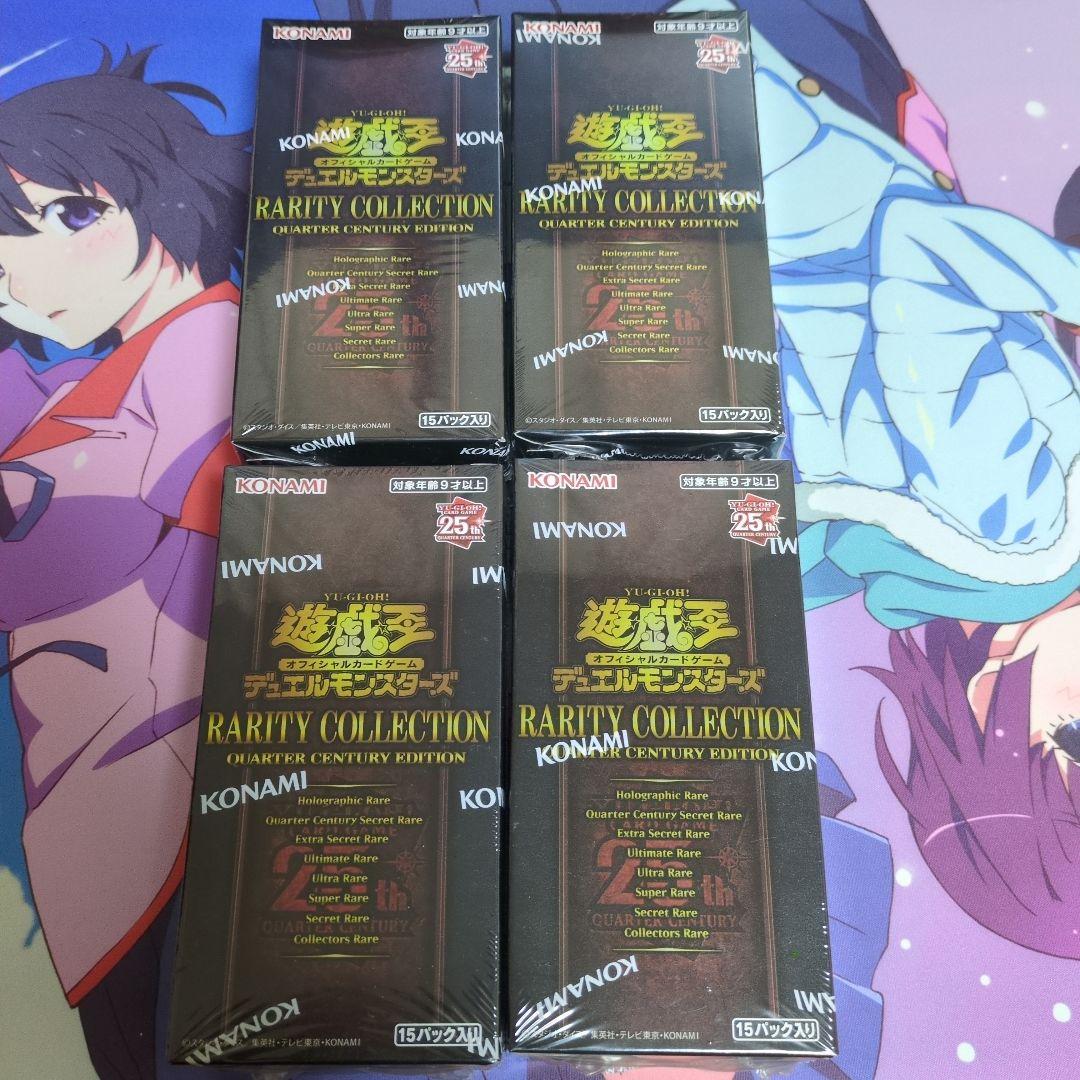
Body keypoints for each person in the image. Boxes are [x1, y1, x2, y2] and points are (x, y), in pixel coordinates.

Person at [0, 45, 246, 1077]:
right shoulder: (95, 387)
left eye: (61, 217)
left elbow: (62, 551)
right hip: (98, 831)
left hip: (164, 825)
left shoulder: (202, 354)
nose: (15, 270)